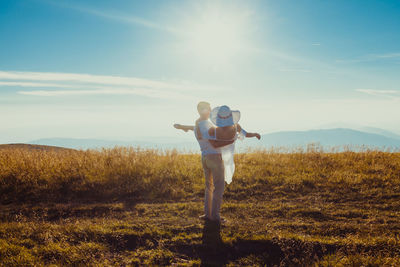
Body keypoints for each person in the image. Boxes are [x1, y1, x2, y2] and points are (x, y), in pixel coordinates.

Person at [174, 102, 261, 224]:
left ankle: (208, 214)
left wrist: (183, 127)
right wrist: (232, 140)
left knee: (209, 187)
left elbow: (195, 128)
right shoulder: (207, 125)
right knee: (218, 187)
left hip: (204, 157)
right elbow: (215, 143)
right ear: (206, 110)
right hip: (214, 158)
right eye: (207, 109)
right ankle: (214, 216)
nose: (208, 111)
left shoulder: (200, 123)